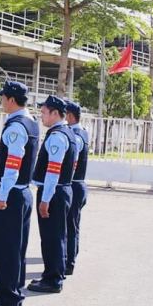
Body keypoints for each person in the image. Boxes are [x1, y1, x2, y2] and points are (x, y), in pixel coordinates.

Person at [0, 81, 39, 306]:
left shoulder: (15, 126)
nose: (1, 101)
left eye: (2, 97)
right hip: (22, 192)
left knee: (5, 247)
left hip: (11, 193)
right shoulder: (31, 123)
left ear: (11, 99)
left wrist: (2, 195)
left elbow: (13, 164)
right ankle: (14, 290)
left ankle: (7, 298)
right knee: (17, 247)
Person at [28, 95, 77, 294]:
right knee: (58, 235)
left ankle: (52, 279)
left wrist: (45, 199)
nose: (41, 116)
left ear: (55, 113)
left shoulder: (57, 136)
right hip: (63, 190)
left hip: (54, 192)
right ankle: (54, 274)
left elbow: (53, 171)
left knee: (52, 237)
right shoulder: (68, 132)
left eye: (44, 112)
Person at [65, 100, 89, 275]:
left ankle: (69, 262)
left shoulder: (76, 135)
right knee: (71, 224)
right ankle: (69, 256)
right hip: (78, 184)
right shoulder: (82, 132)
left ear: (70, 116)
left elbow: (73, 164)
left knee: (70, 226)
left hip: (73, 184)